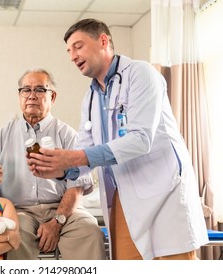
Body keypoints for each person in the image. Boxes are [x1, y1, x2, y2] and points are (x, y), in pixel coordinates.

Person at [27, 18, 209, 260]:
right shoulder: (90, 99)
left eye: (78, 46)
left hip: (163, 193)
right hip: (123, 198)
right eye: (69, 51)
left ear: (103, 40)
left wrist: (73, 158)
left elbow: (141, 139)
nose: (72, 56)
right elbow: (85, 151)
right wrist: (60, 170)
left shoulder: (140, 74)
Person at [0, 69, 106, 260]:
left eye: (40, 90)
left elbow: (76, 187)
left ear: (53, 97)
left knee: (90, 232)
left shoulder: (68, 135)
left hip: (65, 210)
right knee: (13, 234)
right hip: (20, 210)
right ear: (19, 96)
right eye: (26, 90)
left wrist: (57, 221)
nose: (32, 96)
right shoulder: (1, 136)